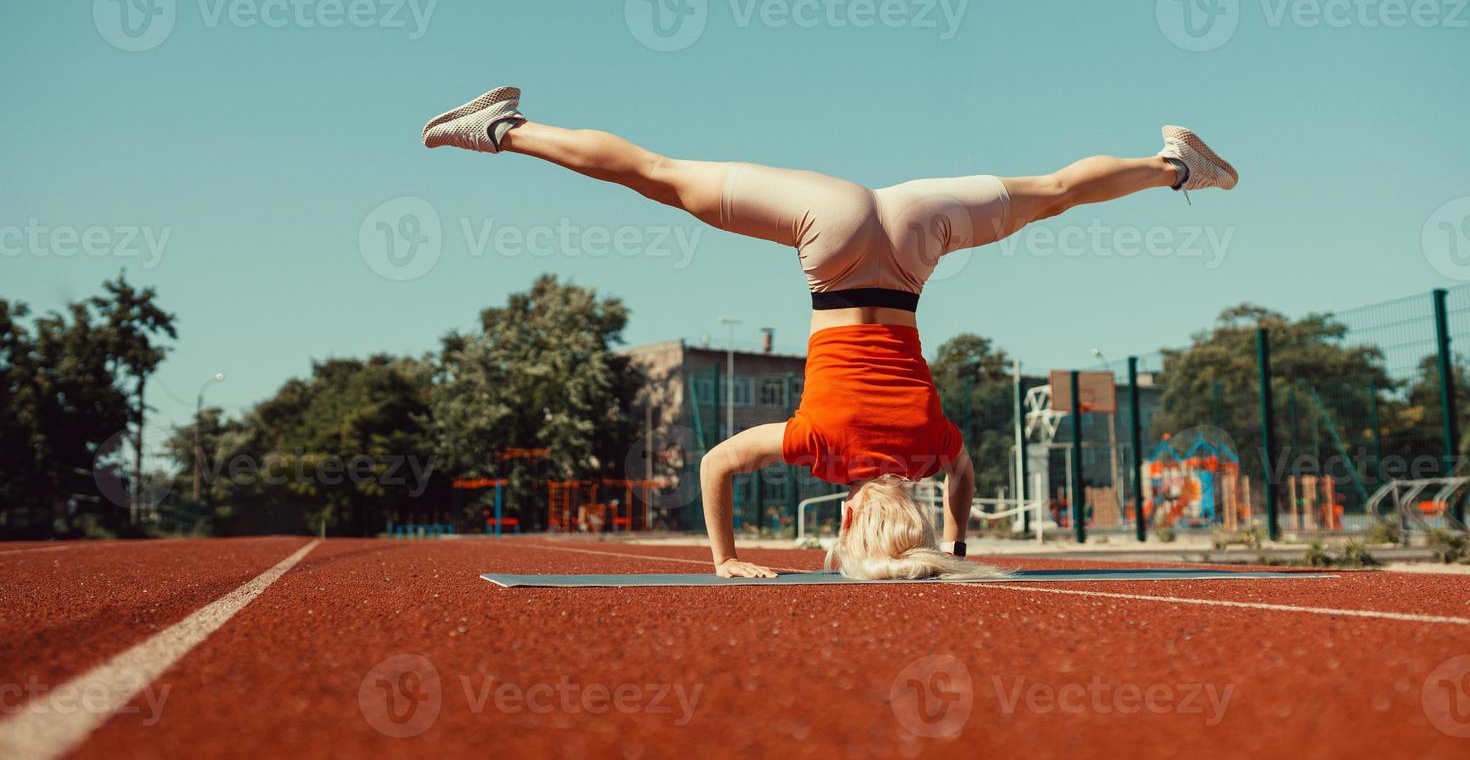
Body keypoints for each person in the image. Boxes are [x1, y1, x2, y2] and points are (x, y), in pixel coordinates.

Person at [422, 87, 1237, 579]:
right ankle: (501, 131)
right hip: (835, 248)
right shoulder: (817, 444)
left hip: (915, 237)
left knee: (1053, 190)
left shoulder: (929, 447)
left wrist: (956, 539)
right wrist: (723, 556)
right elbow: (715, 464)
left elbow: (962, 470)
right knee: (660, 177)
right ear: (846, 520)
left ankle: (1174, 166)